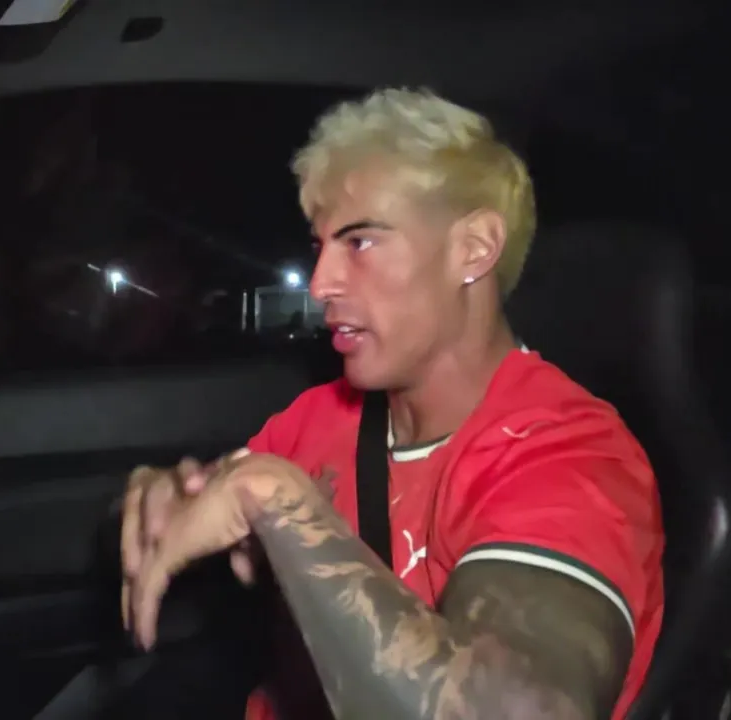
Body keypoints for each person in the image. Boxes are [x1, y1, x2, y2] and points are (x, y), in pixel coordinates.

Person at [121, 88, 664, 720]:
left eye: (359, 242)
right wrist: (164, 498)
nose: (320, 285)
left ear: (474, 248)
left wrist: (275, 499)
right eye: (320, 247)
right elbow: (221, 497)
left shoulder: (575, 459)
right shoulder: (322, 416)